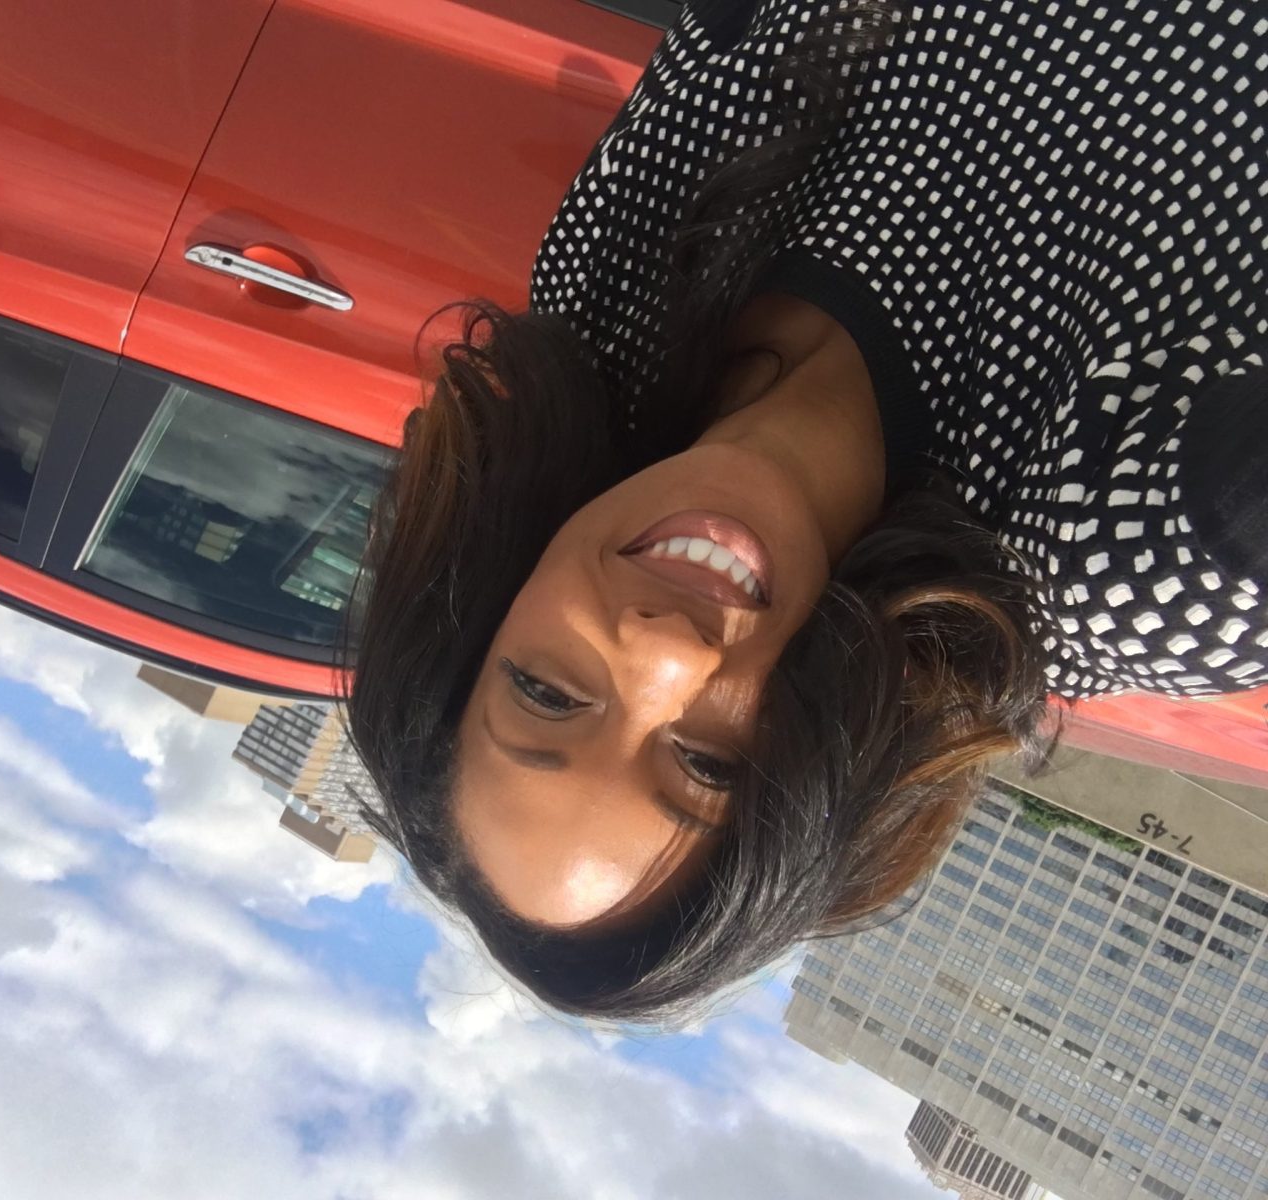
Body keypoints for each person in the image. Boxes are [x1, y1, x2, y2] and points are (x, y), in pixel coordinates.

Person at [338, 0, 1268, 1024]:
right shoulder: (1126, 570)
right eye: (705, 762)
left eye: (548, 693)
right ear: (814, 765)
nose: (665, 654)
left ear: (490, 605)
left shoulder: (605, 286)